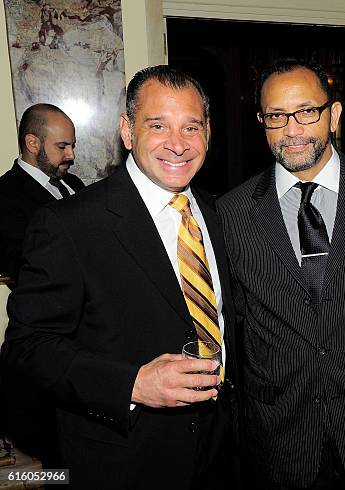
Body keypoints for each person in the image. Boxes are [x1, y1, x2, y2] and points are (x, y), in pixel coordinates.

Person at [1, 66, 237, 490]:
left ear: (208, 134)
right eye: (158, 126)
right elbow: (26, 348)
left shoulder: (221, 214)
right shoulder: (69, 224)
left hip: (222, 454)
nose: (178, 144)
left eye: (191, 127)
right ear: (128, 132)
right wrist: (133, 383)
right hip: (125, 461)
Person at [217, 58, 345, 489]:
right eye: (276, 116)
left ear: (333, 115)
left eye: (306, 111)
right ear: (262, 122)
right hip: (278, 438)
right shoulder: (233, 211)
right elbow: (235, 327)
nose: (291, 129)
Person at [0, 103, 84, 285]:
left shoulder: (74, 183)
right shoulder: (5, 194)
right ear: (32, 143)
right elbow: (25, 271)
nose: (71, 155)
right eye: (62, 147)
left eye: (72, 145)